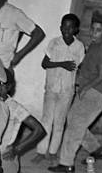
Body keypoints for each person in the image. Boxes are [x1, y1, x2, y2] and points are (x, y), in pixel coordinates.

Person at [49, 12, 102, 173]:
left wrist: (85, 88)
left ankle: (66, 163)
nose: (93, 32)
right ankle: (97, 150)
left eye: (98, 30)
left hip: (97, 91)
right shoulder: (95, 44)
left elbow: (101, 75)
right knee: (73, 120)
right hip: (92, 88)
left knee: (75, 125)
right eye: (92, 29)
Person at [32, 14, 85, 164]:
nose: (66, 30)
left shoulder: (79, 46)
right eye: (64, 26)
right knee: (46, 120)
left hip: (67, 90)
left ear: (76, 29)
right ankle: (41, 151)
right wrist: (61, 64)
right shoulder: (54, 43)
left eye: (70, 27)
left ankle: (53, 151)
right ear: (60, 27)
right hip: (51, 88)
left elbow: (80, 67)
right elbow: (45, 64)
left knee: (60, 121)